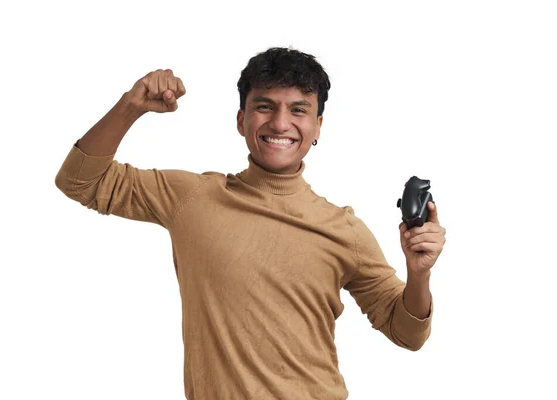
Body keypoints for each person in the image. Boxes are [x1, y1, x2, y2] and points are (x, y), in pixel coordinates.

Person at [55, 47, 446, 400]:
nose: (280, 123)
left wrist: (418, 274)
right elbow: (79, 181)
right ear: (241, 120)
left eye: (298, 110)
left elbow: (408, 333)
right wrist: (131, 106)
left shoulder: (343, 229)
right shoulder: (190, 197)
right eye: (264, 106)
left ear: (317, 126)